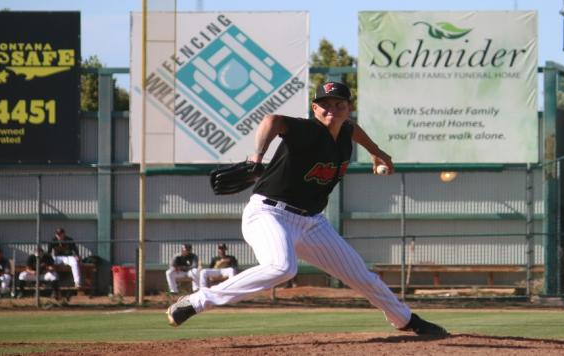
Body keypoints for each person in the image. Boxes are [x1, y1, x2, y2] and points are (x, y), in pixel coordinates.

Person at [166, 81, 448, 337]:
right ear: (315, 108)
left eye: (339, 105)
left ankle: (406, 320)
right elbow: (272, 120)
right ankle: (197, 300)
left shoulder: (345, 131)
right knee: (282, 267)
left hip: (312, 223)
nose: (332, 110)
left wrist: (378, 153)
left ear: (348, 108)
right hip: (269, 213)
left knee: (361, 276)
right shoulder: (308, 131)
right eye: (324, 105)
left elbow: (354, 131)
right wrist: (258, 156)